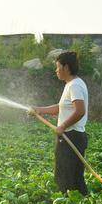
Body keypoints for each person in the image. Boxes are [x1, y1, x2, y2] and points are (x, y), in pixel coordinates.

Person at [29, 51, 89, 196]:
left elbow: (80, 110)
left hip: (71, 137)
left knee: (64, 176)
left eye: (58, 67)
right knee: (75, 176)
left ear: (66, 68)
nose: (56, 71)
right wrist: (39, 110)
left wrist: (62, 126)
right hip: (75, 136)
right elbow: (61, 107)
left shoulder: (74, 85)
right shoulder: (72, 84)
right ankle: (83, 203)